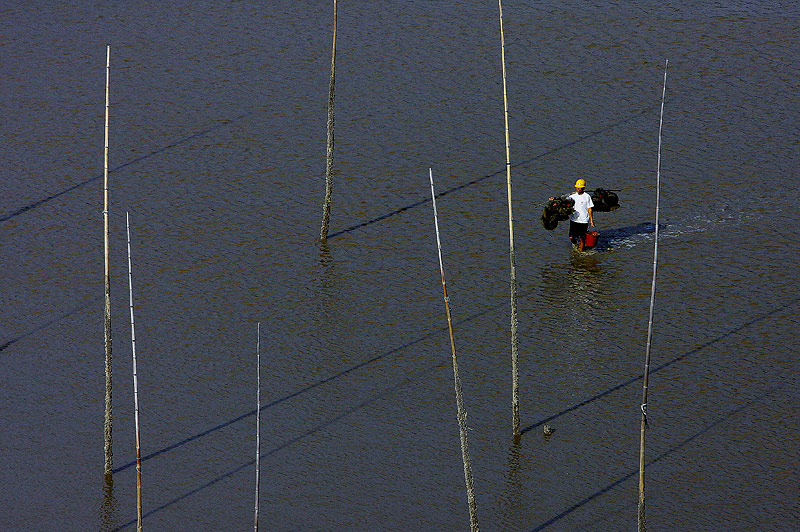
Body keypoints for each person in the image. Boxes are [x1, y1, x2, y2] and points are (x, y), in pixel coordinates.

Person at [568, 179, 594, 251]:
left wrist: (591, 220)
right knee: (571, 237)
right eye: (577, 188)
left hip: (584, 221)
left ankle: (581, 251)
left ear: (583, 188)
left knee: (582, 237)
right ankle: (576, 244)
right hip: (574, 220)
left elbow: (589, 209)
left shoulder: (587, 197)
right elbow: (564, 202)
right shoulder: (572, 197)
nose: (578, 189)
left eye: (580, 188)